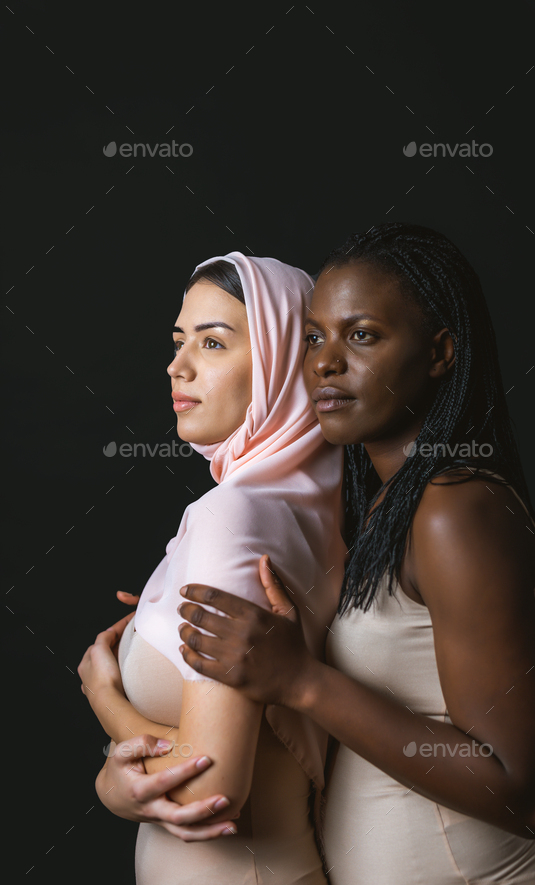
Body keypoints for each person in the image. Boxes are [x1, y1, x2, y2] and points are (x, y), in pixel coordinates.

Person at [174, 224, 535, 884]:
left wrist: (303, 680)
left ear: (440, 353)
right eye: (315, 336)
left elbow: (521, 790)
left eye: (361, 334)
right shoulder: (389, 504)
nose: (325, 363)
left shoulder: (454, 507)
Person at [78, 253, 347, 883]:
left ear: (285, 362)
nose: (178, 366)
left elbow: (208, 790)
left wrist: (106, 700)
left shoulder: (234, 514)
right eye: (178, 342)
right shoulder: (321, 502)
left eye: (214, 342)